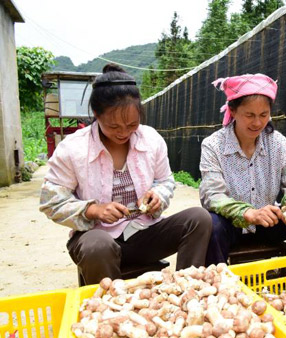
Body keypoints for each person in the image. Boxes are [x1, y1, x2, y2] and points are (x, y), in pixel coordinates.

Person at [39, 64, 212, 285]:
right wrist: (94, 210)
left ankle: (186, 291)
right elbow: (50, 201)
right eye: (113, 126)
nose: (123, 133)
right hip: (97, 241)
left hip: (144, 234)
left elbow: (165, 180)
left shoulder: (151, 139)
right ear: (96, 114)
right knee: (98, 245)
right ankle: (109, 311)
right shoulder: (74, 148)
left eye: (132, 124)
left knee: (198, 219)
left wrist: (157, 195)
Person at [200, 73, 286, 265]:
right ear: (233, 111)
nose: (257, 123)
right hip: (232, 226)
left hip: (268, 224)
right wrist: (248, 214)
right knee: (212, 225)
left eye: (263, 115)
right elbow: (212, 195)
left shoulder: (277, 142)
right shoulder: (213, 145)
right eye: (249, 115)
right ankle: (218, 286)